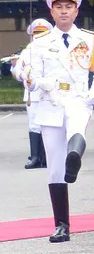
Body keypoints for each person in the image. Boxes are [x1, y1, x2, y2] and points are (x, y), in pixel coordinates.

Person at [21, 0, 94, 242]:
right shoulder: (39, 43)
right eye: (58, 6)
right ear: (51, 11)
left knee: (76, 129)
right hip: (50, 104)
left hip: (78, 99)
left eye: (68, 7)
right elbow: (32, 77)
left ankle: (75, 158)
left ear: (76, 10)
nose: (63, 11)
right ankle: (61, 225)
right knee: (54, 169)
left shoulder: (89, 40)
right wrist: (35, 81)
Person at [11, 18, 53, 170]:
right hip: (32, 94)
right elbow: (18, 71)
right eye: (37, 33)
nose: (39, 36)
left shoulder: (53, 50)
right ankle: (36, 157)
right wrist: (24, 75)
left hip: (49, 93)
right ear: (32, 34)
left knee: (49, 124)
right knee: (34, 124)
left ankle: (48, 156)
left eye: (43, 33)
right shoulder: (27, 52)